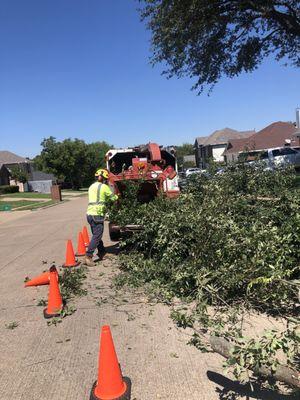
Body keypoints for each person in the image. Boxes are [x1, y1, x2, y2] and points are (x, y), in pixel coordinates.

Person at [85, 168, 118, 266]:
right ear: (100, 177)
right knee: (97, 235)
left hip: (90, 214)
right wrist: (118, 196)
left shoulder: (91, 186)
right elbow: (112, 198)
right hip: (97, 214)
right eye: (104, 178)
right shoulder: (104, 187)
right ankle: (88, 256)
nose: (104, 180)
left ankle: (102, 252)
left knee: (96, 234)